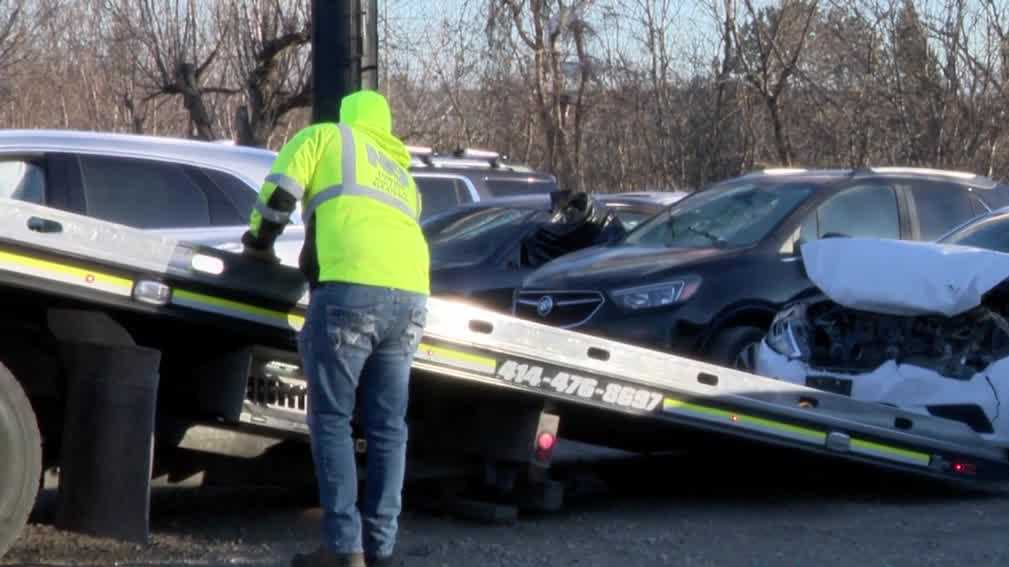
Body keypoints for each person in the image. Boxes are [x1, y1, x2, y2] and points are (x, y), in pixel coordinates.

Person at [241, 90, 429, 567]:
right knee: (388, 428)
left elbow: (279, 194)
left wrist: (259, 243)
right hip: (410, 298)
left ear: (346, 116)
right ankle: (382, 549)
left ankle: (344, 549)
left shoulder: (325, 137)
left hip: (349, 292)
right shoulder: (402, 175)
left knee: (332, 421)